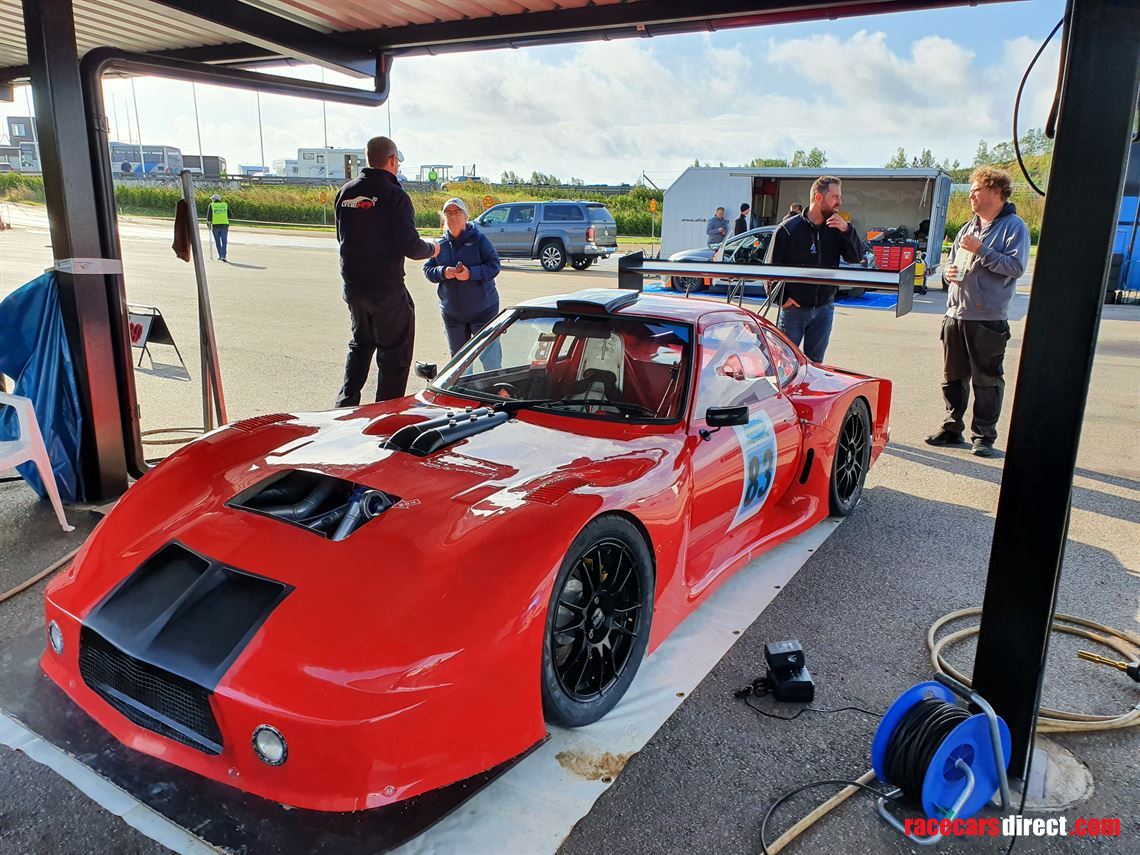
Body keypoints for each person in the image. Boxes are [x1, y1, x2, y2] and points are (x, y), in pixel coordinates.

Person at [925, 167, 1029, 457]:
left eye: (976, 190)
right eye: (971, 191)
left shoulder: (1014, 227)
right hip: (955, 315)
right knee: (953, 378)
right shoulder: (967, 228)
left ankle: (983, 436)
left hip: (987, 319)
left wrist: (982, 250)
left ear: (997, 191)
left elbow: (1016, 267)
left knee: (987, 380)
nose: (971, 195)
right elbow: (952, 265)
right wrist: (949, 273)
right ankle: (952, 427)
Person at [334, 136, 440, 407]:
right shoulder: (395, 196)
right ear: (392, 160)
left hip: (355, 289)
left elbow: (342, 238)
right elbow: (411, 246)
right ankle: (385, 412)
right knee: (394, 355)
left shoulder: (345, 193)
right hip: (386, 291)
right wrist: (433, 249)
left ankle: (345, 407)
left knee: (361, 344)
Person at [766, 177, 863, 363]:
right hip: (794, 311)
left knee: (816, 366)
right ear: (818, 197)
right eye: (835, 197)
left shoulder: (837, 228)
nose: (840, 202)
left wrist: (847, 230)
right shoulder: (788, 229)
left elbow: (855, 258)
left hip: (824, 309)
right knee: (785, 364)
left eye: (840, 197)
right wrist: (780, 299)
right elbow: (770, 270)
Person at [422, 197, 502, 358]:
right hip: (452, 315)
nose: (453, 216)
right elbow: (428, 269)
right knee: (459, 362)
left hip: (483, 312)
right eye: (448, 213)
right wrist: (443, 272)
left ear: (466, 216)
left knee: (490, 361)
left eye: (457, 212)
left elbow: (494, 266)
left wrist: (470, 273)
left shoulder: (479, 240)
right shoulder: (440, 244)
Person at [207, 193, 229, 261]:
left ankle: (220, 255)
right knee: (224, 241)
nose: (212, 200)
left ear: (214, 199)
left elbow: (209, 218)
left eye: (212, 199)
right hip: (224, 225)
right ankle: (223, 256)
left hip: (215, 226)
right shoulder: (225, 205)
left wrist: (208, 225)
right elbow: (231, 215)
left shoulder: (211, 205)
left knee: (217, 241)